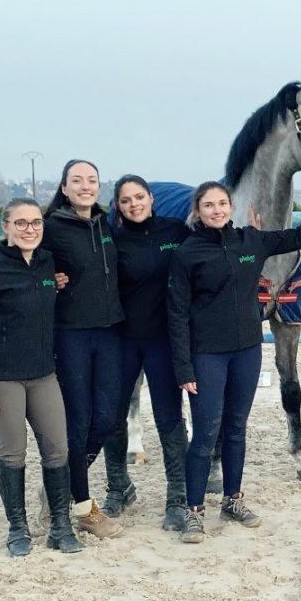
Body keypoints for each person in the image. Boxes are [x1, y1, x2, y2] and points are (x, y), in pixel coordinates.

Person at [0, 159, 125, 539]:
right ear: (64, 188)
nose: (85, 186)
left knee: (102, 421)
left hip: (103, 336)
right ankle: (70, 508)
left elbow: (40, 268)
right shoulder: (49, 227)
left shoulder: (105, 225)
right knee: (67, 427)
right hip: (62, 342)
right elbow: (6, 260)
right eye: (76, 181)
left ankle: (64, 490)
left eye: (92, 180)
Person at [169, 179, 301, 543]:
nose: (216, 210)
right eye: (208, 205)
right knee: (204, 434)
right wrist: (183, 368)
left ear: (232, 207)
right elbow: (177, 314)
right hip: (207, 356)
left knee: (236, 429)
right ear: (198, 211)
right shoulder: (188, 253)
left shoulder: (252, 241)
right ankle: (194, 511)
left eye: (221, 204)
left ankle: (232, 500)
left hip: (246, 352)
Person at [0, 198, 82, 555]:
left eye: (35, 223)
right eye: (21, 223)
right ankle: (18, 528)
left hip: (44, 375)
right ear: (6, 227)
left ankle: (60, 525)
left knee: (58, 449)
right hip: (3, 379)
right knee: (13, 454)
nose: (29, 229)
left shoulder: (47, 264)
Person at [96, 175, 191, 530]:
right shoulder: (111, 240)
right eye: (125, 200)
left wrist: (249, 236)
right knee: (112, 417)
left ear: (151, 199)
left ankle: (177, 497)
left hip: (164, 342)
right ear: (117, 207)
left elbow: (211, 250)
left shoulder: (175, 231)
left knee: (170, 420)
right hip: (123, 341)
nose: (134, 204)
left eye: (139, 197)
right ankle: (119, 487)